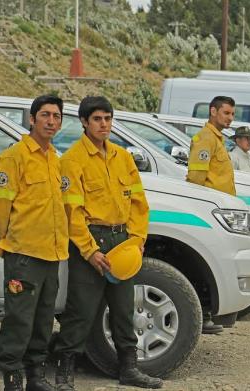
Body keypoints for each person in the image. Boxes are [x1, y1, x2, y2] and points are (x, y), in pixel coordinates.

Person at [54, 96, 163, 390]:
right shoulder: (72, 160)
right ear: (85, 123)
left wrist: (138, 239)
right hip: (91, 241)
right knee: (81, 311)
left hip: (122, 240)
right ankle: (64, 374)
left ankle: (129, 369)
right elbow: (71, 213)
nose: (104, 124)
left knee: (124, 308)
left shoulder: (122, 157)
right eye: (98, 119)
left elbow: (139, 203)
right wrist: (89, 251)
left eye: (108, 118)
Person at [0, 95, 69, 391]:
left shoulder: (54, 159)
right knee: (19, 321)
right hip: (23, 254)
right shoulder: (15, 157)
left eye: (56, 116)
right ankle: (12, 378)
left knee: (43, 321)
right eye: (45, 115)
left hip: (51, 254)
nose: (51, 121)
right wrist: (4, 243)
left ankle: (36, 376)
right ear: (31, 119)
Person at [186, 95, 237, 334]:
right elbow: (196, 179)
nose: (230, 118)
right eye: (226, 113)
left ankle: (207, 313)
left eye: (232, 114)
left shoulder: (217, 139)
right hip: (209, 209)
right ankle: (202, 315)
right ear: (213, 111)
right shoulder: (205, 139)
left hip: (220, 208)